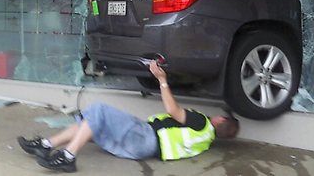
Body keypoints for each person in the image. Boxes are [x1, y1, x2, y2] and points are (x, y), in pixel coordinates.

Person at [18, 61, 239, 173]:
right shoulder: (205, 141)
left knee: (99, 110)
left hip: (146, 137)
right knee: (92, 122)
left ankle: (68, 157)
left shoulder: (202, 122)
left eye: (220, 117)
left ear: (220, 121)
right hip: (144, 147)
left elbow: (173, 111)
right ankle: (46, 145)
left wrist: (162, 79)